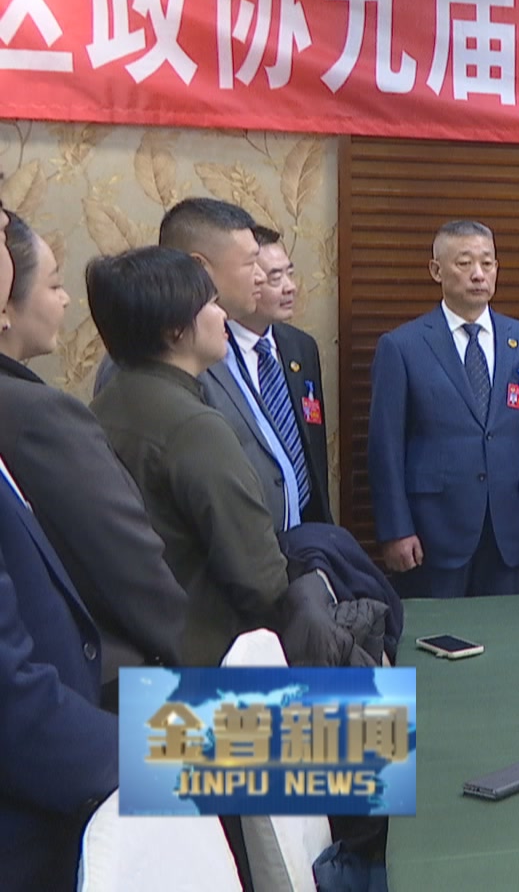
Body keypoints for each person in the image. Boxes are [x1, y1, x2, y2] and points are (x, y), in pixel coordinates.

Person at [0, 210, 185, 698]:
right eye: (54, 285)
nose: (65, 300)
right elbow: (127, 560)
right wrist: (190, 656)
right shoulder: (42, 415)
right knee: (339, 732)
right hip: (103, 679)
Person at [89, 247, 290, 666]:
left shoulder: (103, 404)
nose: (224, 316)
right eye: (211, 304)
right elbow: (260, 578)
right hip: (206, 659)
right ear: (175, 330)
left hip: (130, 649)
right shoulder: (194, 427)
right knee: (388, 706)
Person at [0, 204, 117, 892]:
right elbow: (14, 706)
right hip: (29, 830)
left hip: (74, 735)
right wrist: (194, 757)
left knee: (359, 743)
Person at [367, 220, 519, 597]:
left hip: (510, 526)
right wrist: (395, 529)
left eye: (487, 263)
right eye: (464, 263)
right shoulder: (402, 346)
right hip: (432, 530)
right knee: (437, 629)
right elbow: (385, 448)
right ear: (436, 270)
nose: (478, 274)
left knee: (505, 628)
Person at [98, 198, 309, 532]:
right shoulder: (148, 356)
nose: (260, 277)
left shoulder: (230, 337)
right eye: (250, 264)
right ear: (200, 267)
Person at [231, 226, 332, 524]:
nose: (290, 287)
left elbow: (313, 442)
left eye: (290, 273)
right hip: (248, 523)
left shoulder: (300, 346)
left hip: (306, 524)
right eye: (275, 278)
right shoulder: (213, 352)